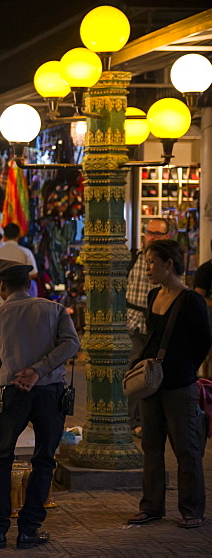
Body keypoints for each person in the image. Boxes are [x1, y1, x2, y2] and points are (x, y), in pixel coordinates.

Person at [0, 259, 80, 550]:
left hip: (11, 394)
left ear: (3, 286)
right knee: (44, 459)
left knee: (1, 459)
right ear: (29, 284)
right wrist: (41, 369)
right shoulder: (54, 309)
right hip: (51, 393)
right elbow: (71, 343)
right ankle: (29, 530)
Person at [126, 239, 210, 530]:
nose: (147, 268)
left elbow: (203, 342)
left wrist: (184, 368)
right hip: (152, 384)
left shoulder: (191, 300)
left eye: (151, 262)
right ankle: (151, 506)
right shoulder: (152, 295)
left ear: (168, 264)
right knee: (151, 446)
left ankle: (191, 509)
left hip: (179, 385)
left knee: (186, 448)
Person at [125, 217, 174, 436]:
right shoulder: (134, 257)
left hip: (156, 325)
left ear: (167, 237)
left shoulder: (169, 262)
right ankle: (134, 421)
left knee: (153, 372)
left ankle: (150, 420)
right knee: (135, 370)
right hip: (133, 322)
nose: (151, 237)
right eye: (148, 232)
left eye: (157, 233)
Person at [0, 223, 38, 308]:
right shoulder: (25, 252)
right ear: (18, 236)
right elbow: (34, 274)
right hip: (22, 297)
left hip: (1, 298)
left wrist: (4, 276)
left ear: (4, 236)